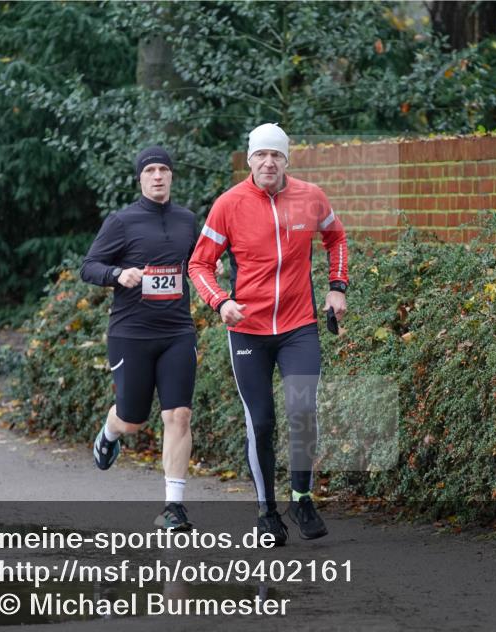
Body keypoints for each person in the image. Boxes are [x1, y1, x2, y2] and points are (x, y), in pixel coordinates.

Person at [188, 123, 348, 545]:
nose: (269, 162)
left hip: (298, 326)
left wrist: (337, 286)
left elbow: (337, 237)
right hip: (248, 330)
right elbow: (198, 265)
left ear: (287, 159)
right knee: (261, 422)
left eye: (276, 155)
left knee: (303, 410)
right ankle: (266, 512)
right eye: (261, 155)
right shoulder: (229, 205)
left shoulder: (310, 197)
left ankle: (301, 498)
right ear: (250, 159)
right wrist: (221, 302)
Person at [80, 146, 198, 531]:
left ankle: (174, 507)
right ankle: (110, 432)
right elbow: (89, 266)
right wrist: (117, 275)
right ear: (141, 179)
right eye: (151, 171)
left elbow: (199, 266)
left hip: (178, 331)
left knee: (178, 415)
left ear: (172, 176)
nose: (158, 176)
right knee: (133, 420)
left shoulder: (187, 220)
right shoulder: (122, 221)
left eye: (164, 169)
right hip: (131, 334)